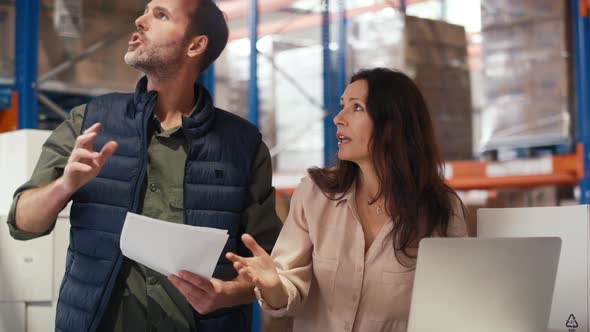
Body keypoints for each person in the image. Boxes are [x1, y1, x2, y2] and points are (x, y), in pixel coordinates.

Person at [6, 0, 282, 331]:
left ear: (195, 45)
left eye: (160, 14)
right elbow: (23, 222)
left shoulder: (243, 145)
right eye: (146, 10)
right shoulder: (90, 121)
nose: (140, 20)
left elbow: (269, 264)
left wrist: (227, 293)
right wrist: (64, 185)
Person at [227, 68, 468, 331]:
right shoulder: (314, 194)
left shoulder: (441, 209)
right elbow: (288, 292)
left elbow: (451, 308)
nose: (338, 118)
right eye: (342, 106)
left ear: (392, 125)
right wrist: (272, 283)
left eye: (356, 108)